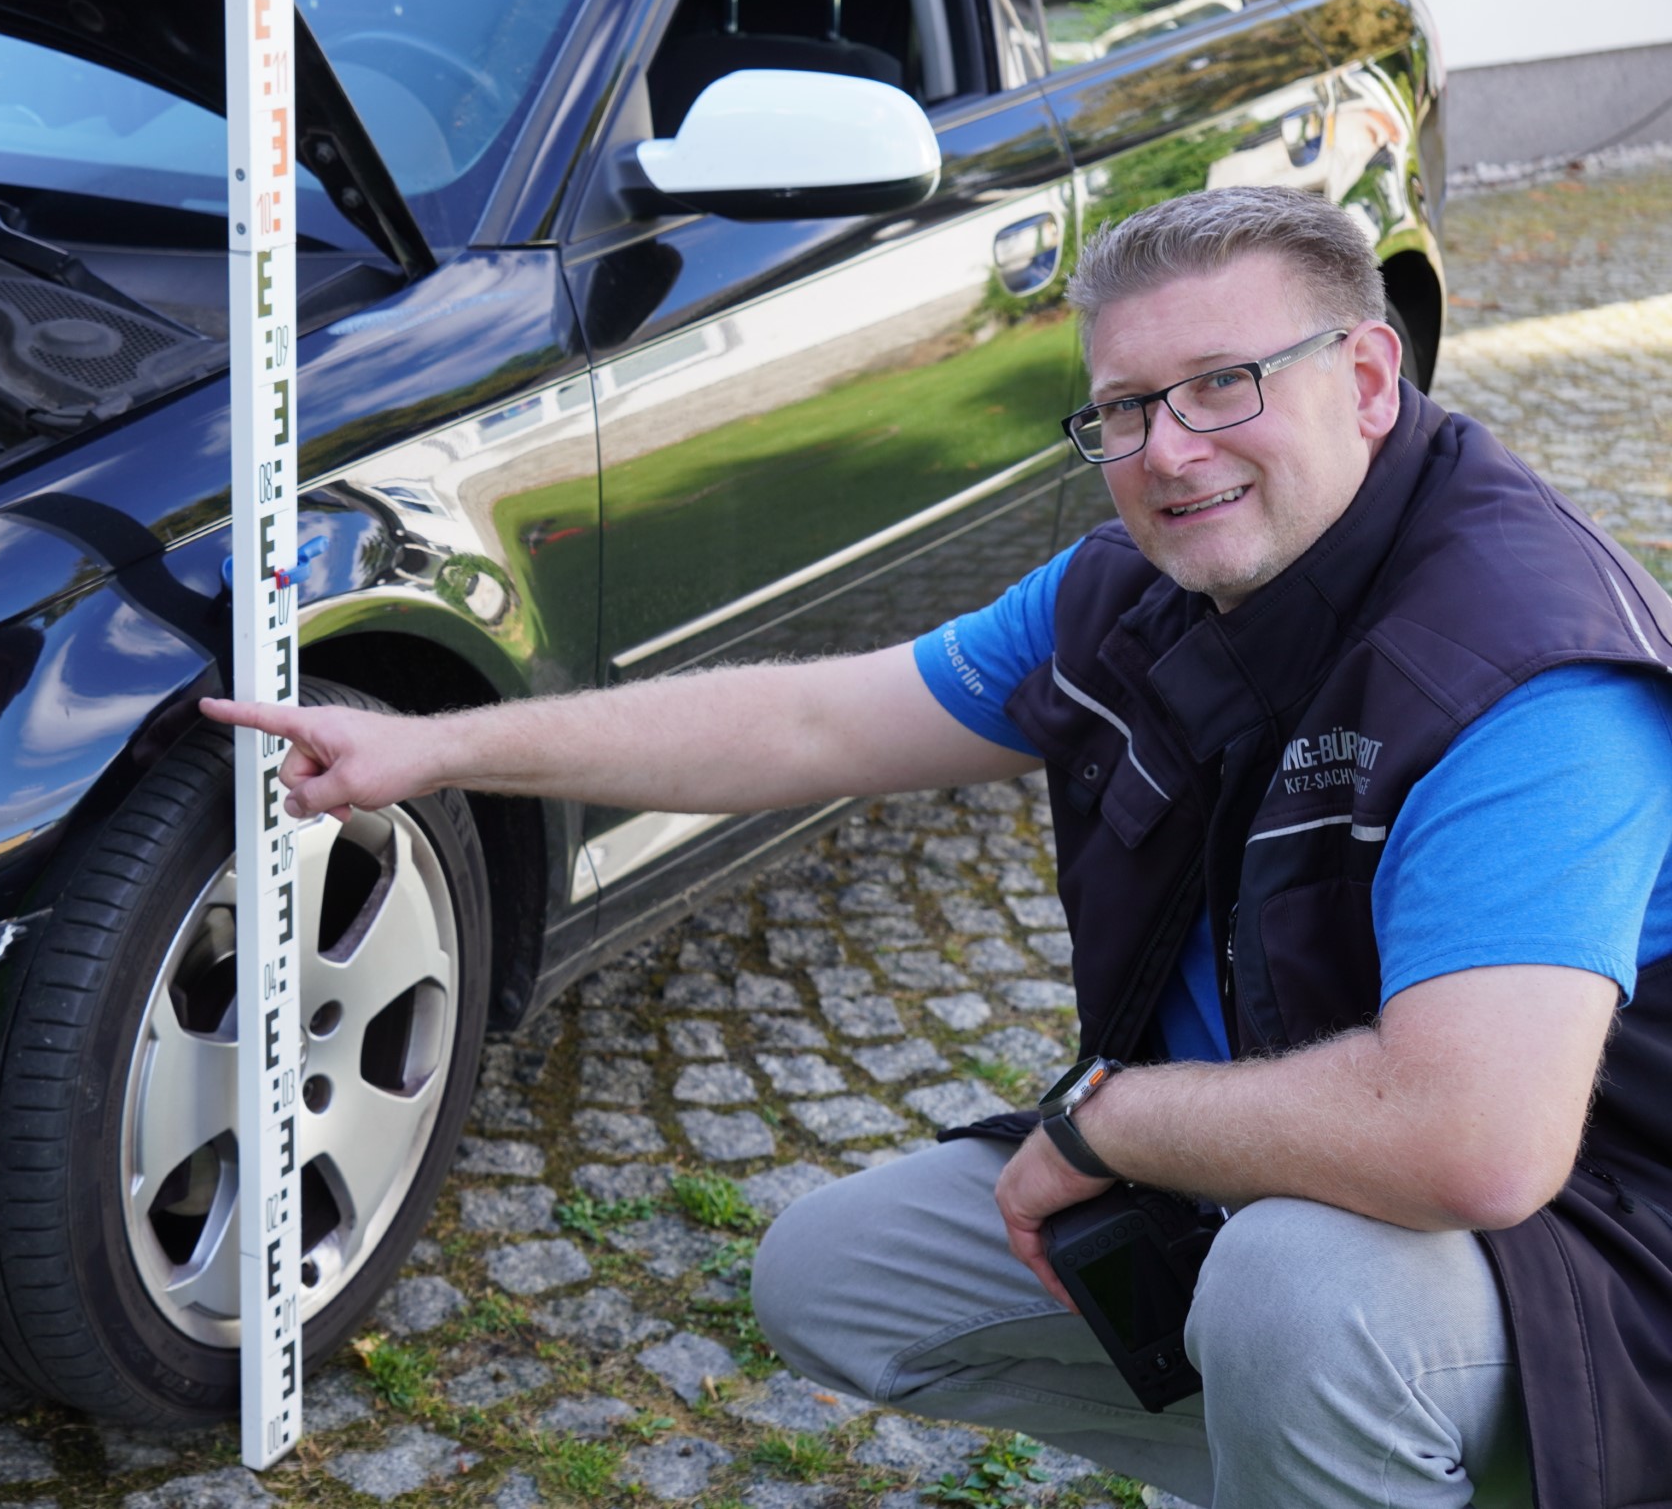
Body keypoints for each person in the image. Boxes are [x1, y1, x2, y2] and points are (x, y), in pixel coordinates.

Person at [204, 187, 1672, 1508]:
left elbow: (1475, 1142)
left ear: (1364, 377)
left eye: (1224, 387)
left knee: (1294, 1298)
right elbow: (814, 730)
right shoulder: (1133, 587)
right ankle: (1334, 1466)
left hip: (1591, 1256)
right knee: (837, 1277)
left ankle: (1448, 1454)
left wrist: (1113, 1124)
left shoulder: (1523, 671)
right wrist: (442, 749)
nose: (1168, 451)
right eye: (1125, 408)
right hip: (1267, 1167)